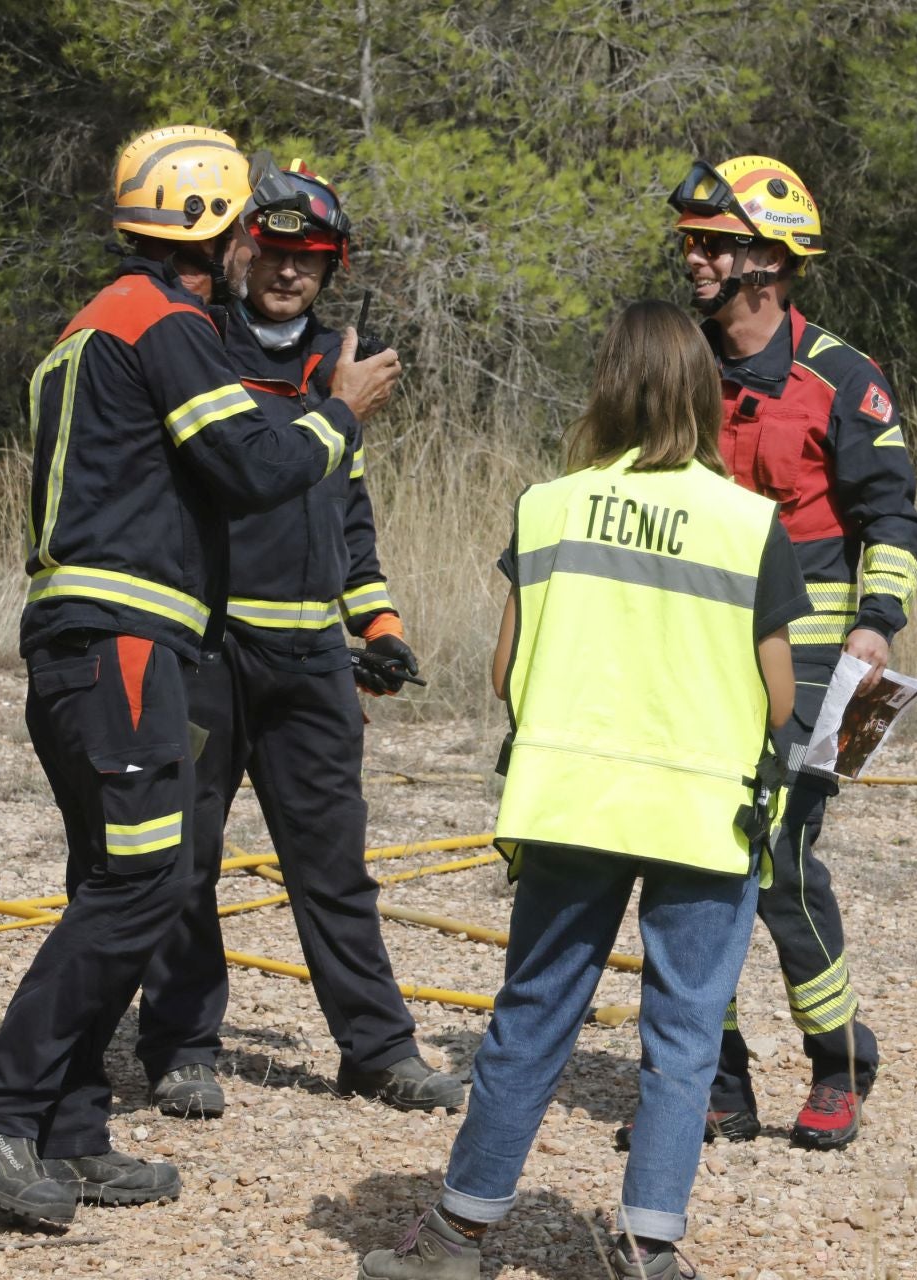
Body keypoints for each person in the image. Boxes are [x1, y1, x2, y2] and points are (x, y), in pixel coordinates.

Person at [0, 126, 401, 1227]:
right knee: (145, 880)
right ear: (217, 234)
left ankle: (74, 1129)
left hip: (85, 639)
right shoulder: (168, 322)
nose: (259, 252)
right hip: (123, 641)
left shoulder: (92, 323)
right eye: (247, 230)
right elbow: (257, 464)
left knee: (116, 878)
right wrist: (340, 411)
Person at [358, 299, 808, 1280]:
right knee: (685, 1029)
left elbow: (504, 670)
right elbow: (780, 695)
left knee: (532, 1013)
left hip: (572, 803)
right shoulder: (749, 525)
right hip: (703, 813)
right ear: (702, 393)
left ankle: (456, 1238)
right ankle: (649, 1246)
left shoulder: (549, 505)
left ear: (606, 386)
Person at [134, 158, 462, 1120]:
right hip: (205, 651)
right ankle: (183, 1046)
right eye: (275, 252)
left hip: (312, 661)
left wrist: (381, 622)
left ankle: (379, 1051)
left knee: (333, 865)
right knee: (183, 860)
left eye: (310, 260)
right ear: (241, 247)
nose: (289, 274)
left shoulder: (338, 366)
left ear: (333, 269)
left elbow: (345, 511)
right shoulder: (196, 347)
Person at [635, 154, 917, 1152]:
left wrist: (876, 625)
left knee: (778, 853)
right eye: (693, 242)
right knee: (678, 853)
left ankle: (840, 1055)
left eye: (716, 242)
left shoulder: (843, 378)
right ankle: (713, 1078)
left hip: (810, 656)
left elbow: (892, 514)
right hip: (692, 648)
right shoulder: (680, 367)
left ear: (770, 259)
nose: (697, 258)